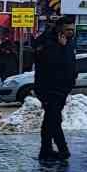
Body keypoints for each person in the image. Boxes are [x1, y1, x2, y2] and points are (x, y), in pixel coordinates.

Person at [32, 17, 78, 162]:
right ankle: (61, 150)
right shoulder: (50, 42)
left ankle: (46, 150)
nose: (71, 32)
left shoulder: (67, 42)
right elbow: (50, 64)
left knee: (51, 120)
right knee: (53, 119)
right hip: (50, 88)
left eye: (72, 29)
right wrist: (60, 47)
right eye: (68, 29)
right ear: (59, 29)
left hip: (62, 88)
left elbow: (70, 63)